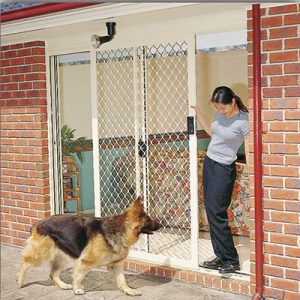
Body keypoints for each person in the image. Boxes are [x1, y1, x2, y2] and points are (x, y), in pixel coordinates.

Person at [191, 86, 249, 274]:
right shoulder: (220, 116)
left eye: (223, 107)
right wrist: (198, 111)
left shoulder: (243, 121)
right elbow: (213, 134)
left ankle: (231, 260)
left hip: (224, 169)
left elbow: (249, 148)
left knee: (217, 212)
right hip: (210, 164)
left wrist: (253, 170)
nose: (221, 111)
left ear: (233, 102)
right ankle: (221, 256)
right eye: (217, 108)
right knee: (210, 210)